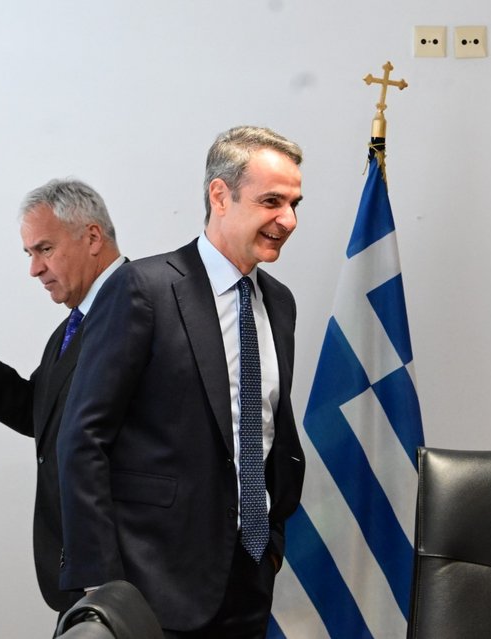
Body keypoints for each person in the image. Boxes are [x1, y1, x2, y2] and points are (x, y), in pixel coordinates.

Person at [57, 126, 306, 638]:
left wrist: (271, 542)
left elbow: (267, 431)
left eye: (294, 204)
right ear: (220, 195)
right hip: (151, 584)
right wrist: (103, 581)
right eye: (272, 202)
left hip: (250, 575)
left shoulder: (279, 302)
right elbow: (83, 438)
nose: (288, 220)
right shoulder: (142, 288)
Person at [0, 178, 125, 613]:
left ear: (92, 237)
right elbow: (45, 417)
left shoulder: (143, 304)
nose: (34, 269)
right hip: (89, 576)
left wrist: (104, 572)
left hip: (126, 573)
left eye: (44, 249)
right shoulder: (74, 324)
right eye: (29, 253)